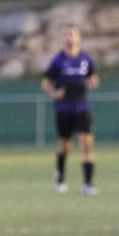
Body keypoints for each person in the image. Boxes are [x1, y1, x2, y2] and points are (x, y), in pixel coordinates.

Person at [41, 25, 100, 196]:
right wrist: (54, 93)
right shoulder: (58, 60)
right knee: (65, 146)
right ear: (62, 38)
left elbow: (93, 77)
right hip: (64, 109)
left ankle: (88, 184)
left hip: (82, 107)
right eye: (66, 34)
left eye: (72, 34)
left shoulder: (86, 59)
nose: (70, 37)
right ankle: (60, 175)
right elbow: (45, 82)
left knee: (86, 143)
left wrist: (93, 82)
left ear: (79, 37)